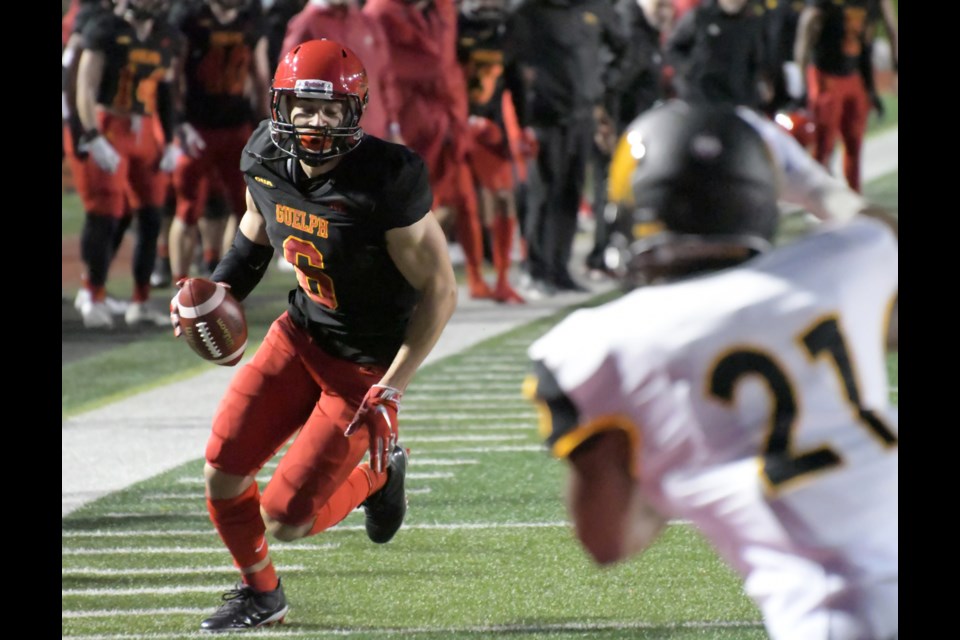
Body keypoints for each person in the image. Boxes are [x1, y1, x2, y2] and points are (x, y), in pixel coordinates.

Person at [524, 99, 898, 640]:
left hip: (838, 617)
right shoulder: (841, 267)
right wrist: (816, 186)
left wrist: (681, 466)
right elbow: (878, 241)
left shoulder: (602, 342)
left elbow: (608, 538)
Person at [169, 39, 458, 631]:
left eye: (331, 110)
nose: (315, 122)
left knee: (287, 519)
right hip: (299, 337)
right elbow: (252, 235)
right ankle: (263, 595)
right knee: (223, 470)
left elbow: (440, 292)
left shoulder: (385, 181)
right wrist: (217, 296)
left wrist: (393, 387)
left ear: (356, 113)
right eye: (304, 107)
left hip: (362, 366)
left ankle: (380, 473)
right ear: (282, 106)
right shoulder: (265, 158)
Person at [69, 0, 184, 329]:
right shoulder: (104, 27)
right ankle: (92, 294)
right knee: (105, 214)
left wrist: (171, 138)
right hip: (109, 123)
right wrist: (92, 134)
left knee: (150, 216)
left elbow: (165, 93)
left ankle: (141, 300)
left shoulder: (166, 34)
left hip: (146, 128)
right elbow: (86, 87)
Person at [503, 0, 628, 297]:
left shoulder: (592, 8)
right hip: (545, 119)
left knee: (570, 192)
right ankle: (534, 269)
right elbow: (511, 69)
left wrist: (600, 87)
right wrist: (524, 117)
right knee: (542, 194)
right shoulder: (528, 13)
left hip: (582, 115)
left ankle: (558, 268)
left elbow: (623, 46)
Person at [165, 0, 270, 285]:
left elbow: (260, 75)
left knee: (245, 208)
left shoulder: (250, 17)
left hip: (237, 126)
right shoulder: (189, 16)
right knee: (188, 208)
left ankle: (227, 284)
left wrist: (266, 123)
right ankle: (180, 284)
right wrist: (179, 123)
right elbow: (173, 76)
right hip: (197, 127)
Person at [457, 0, 527, 303]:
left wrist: (521, 126)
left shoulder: (509, 26)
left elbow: (515, 82)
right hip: (455, 126)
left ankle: (500, 278)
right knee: (461, 205)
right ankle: (474, 276)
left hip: (493, 129)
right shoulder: (451, 25)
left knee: (502, 200)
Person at [789, 0, 898, 192]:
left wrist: (873, 84)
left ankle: (854, 195)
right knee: (824, 143)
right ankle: (819, 196)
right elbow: (806, 28)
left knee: (854, 141)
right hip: (826, 73)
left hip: (854, 73)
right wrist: (802, 76)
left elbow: (888, 28)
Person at [665, 0, 771, 110]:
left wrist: (756, 89)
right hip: (700, 99)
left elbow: (756, 61)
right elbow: (672, 48)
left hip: (735, 101)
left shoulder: (752, 23)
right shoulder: (700, 16)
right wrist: (690, 70)